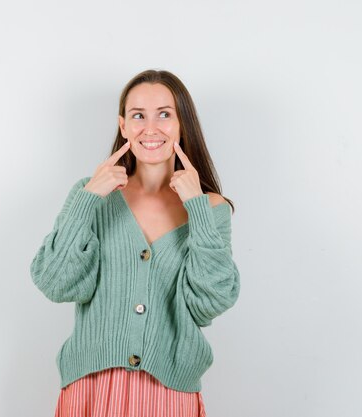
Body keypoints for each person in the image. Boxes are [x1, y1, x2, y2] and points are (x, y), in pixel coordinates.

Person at [30, 69, 240, 417]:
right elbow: (55, 282)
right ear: (123, 126)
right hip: (91, 389)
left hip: (168, 394)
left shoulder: (210, 208)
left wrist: (196, 209)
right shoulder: (91, 195)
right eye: (138, 115)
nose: (150, 127)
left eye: (164, 114)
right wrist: (88, 199)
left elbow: (210, 302)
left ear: (182, 124)